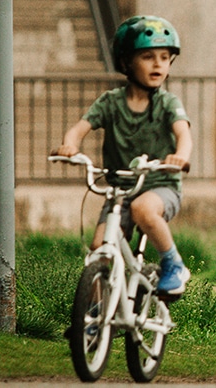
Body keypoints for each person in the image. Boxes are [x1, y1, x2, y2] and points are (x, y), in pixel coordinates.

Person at [53, 15, 194, 295]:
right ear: (127, 62)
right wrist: (70, 145)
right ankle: (95, 316)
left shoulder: (167, 103)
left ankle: (174, 264)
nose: (158, 64)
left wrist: (179, 156)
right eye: (148, 57)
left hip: (159, 187)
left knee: (143, 209)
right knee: (98, 249)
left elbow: (183, 135)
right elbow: (78, 130)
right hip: (120, 190)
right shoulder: (111, 102)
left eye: (165, 57)